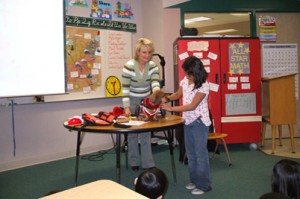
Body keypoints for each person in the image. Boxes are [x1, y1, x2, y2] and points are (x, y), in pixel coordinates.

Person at [161, 56, 212, 195]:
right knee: (190, 154)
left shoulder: (204, 85)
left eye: (189, 73)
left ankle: (204, 185)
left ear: (196, 72)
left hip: (199, 123)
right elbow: (178, 94)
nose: (186, 76)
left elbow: (192, 106)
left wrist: (170, 109)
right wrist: (166, 97)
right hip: (188, 122)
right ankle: (195, 181)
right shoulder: (186, 80)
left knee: (200, 154)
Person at [121, 38, 161, 171]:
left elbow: (155, 83)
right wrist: (127, 107)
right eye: (144, 52)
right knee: (132, 133)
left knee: (146, 132)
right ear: (138, 52)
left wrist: (156, 95)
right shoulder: (129, 66)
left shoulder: (153, 66)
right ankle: (134, 162)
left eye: (150, 52)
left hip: (146, 99)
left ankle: (148, 163)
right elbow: (125, 89)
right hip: (132, 100)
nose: (147, 55)